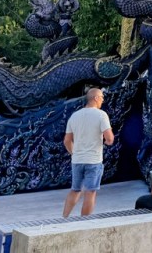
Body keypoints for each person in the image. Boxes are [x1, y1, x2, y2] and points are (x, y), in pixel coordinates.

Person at [62, 88, 115, 217]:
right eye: (102, 97)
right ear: (96, 98)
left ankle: (64, 218)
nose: (103, 99)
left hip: (77, 160)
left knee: (75, 190)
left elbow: (67, 141)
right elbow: (109, 138)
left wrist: (74, 153)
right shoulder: (101, 115)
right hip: (93, 161)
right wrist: (107, 141)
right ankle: (84, 222)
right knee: (90, 192)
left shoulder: (74, 116)